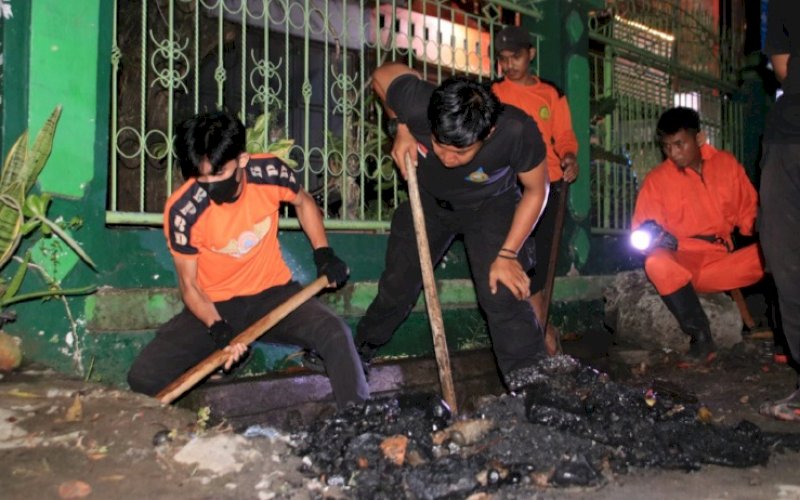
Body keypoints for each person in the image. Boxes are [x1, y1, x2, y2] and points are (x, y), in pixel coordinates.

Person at [127, 112, 369, 410]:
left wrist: (323, 253)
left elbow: (304, 202)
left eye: (218, 174)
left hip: (274, 294)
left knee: (335, 334)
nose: (209, 185)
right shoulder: (183, 210)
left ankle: (359, 418)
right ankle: (228, 363)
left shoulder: (268, 173)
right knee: (143, 377)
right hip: (216, 306)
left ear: (242, 160)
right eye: (200, 178)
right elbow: (189, 286)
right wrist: (217, 327)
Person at [353, 62, 550, 382]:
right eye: (439, 145)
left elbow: (537, 190)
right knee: (398, 285)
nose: (446, 158)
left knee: (501, 290)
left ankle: (533, 385)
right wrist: (400, 127)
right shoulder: (420, 103)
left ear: (487, 134)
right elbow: (380, 75)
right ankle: (358, 350)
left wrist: (508, 254)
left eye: (459, 152)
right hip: (429, 203)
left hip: (490, 207)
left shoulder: (516, 130)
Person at [631, 107, 764, 361]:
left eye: (680, 144)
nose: (673, 153)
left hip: (722, 262)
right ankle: (701, 337)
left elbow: (750, 215)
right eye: (667, 146)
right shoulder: (657, 181)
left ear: (699, 139)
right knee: (656, 262)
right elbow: (640, 233)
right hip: (682, 262)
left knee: (779, 253)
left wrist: (770, 232)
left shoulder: (726, 165)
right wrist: (653, 238)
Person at [492, 25, 579, 356]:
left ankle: (542, 337)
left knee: (540, 269)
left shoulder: (550, 93)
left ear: (531, 53)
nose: (510, 64)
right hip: (509, 187)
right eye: (503, 59)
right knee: (518, 264)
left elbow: (565, 136)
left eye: (516, 56)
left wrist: (570, 157)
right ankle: (538, 338)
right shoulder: (494, 94)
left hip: (549, 186)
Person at [759, 0, 800, 421]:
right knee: (786, 263)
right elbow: (782, 64)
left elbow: (784, 67)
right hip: (791, 138)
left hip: (791, 142)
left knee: (789, 264)